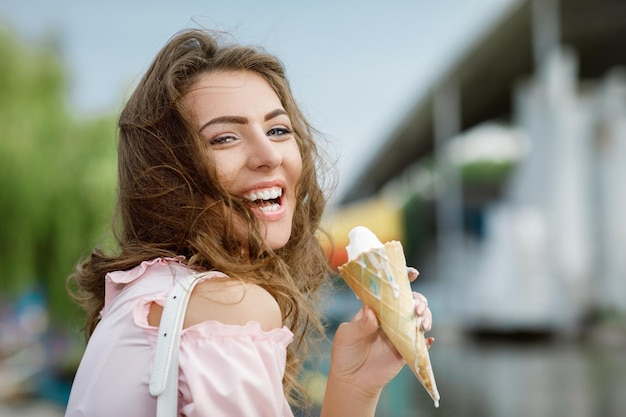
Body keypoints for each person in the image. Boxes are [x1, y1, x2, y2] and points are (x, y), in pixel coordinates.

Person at [64, 28, 433, 417]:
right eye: (224, 138)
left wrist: (354, 384)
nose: (268, 155)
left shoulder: (140, 294)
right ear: (168, 175)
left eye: (278, 130)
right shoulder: (231, 308)